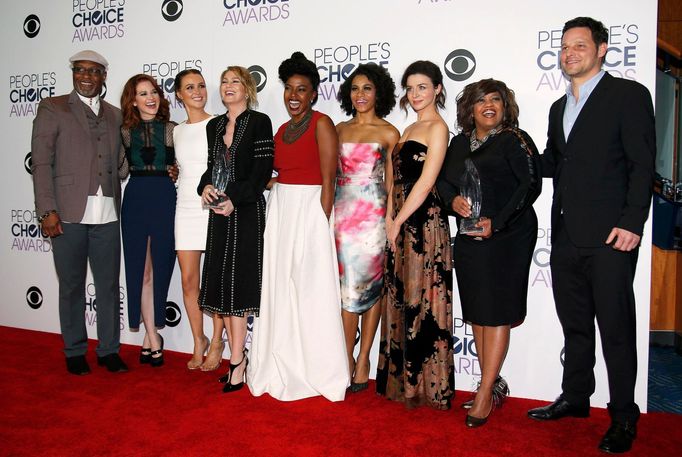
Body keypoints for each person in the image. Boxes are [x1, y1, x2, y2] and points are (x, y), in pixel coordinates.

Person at [526, 17, 655, 454]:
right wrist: (507, 148)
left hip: (612, 237)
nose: (569, 54)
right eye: (564, 47)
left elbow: (641, 165)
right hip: (565, 235)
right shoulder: (558, 108)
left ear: (602, 49)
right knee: (576, 326)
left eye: (579, 46)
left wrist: (633, 222)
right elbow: (551, 162)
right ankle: (577, 397)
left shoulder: (628, 96)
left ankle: (623, 416)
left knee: (616, 330)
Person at [437, 79, 541, 426]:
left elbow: (530, 185)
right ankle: (492, 383)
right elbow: (443, 182)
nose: (488, 105)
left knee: (496, 312)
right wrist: (452, 200)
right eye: (481, 100)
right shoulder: (459, 143)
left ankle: (484, 393)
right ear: (470, 109)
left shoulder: (515, 140)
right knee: (479, 312)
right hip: (469, 236)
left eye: (495, 99)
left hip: (508, 235)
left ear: (504, 105)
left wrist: (497, 222)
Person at [248, 52, 349, 401]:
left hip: (311, 212)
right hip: (282, 212)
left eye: (301, 89)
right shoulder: (280, 129)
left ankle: (322, 371)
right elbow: (277, 174)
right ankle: (280, 362)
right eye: (289, 89)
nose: (294, 95)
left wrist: (320, 225)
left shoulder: (322, 123)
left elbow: (328, 180)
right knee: (279, 288)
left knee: (312, 290)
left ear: (313, 93)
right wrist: (274, 185)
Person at [31, 50, 127, 375]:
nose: (85, 76)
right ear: (74, 74)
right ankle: (74, 350)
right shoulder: (52, 108)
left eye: (93, 71)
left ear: (104, 77)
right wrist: (47, 210)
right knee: (71, 285)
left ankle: (109, 350)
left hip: (109, 213)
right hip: (68, 213)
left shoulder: (115, 115)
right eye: (79, 70)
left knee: (109, 286)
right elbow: (41, 163)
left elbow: (121, 165)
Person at [376, 60, 453, 410]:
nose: (415, 93)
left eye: (422, 86)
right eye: (410, 88)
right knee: (402, 293)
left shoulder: (438, 127)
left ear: (437, 88)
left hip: (423, 223)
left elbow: (426, 182)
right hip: (399, 218)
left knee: (422, 299)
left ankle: (424, 386)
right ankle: (402, 382)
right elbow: (394, 180)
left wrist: (397, 221)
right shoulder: (408, 127)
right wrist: (390, 217)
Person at [198, 66, 274, 393]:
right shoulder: (214, 125)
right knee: (222, 288)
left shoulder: (259, 122)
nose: (228, 86)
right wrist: (204, 188)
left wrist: (234, 201)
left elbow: (261, 173)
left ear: (247, 89)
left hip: (245, 211)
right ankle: (236, 356)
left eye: (235, 82)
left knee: (238, 288)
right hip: (218, 211)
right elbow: (209, 168)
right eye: (224, 82)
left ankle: (237, 363)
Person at [334, 63, 399, 392]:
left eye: (367, 88)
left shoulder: (389, 133)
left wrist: (390, 220)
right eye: (355, 88)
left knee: (372, 291)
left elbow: (392, 183)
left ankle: (364, 359)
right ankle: (345, 357)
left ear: (379, 93)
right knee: (347, 292)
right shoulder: (339, 129)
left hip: (374, 218)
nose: (360, 95)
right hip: (343, 219)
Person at [119, 74, 177, 367]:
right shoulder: (124, 133)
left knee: (159, 267)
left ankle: (149, 336)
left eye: (153, 92)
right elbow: (118, 170)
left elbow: (184, 165)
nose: (150, 98)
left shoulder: (171, 130)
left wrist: (176, 171)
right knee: (140, 271)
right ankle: (153, 335)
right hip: (136, 198)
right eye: (142, 94)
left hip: (164, 197)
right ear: (133, 101)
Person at [173, 69, 225, 371]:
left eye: (202, 86)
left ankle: (218, 341)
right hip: (185, 208)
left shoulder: (218, 124)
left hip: (212, 206)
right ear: (179, 94)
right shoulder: (176, 131)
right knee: (189, 280)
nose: (197, 91)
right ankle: (198, 340)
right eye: (189, 87)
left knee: (215, 279)